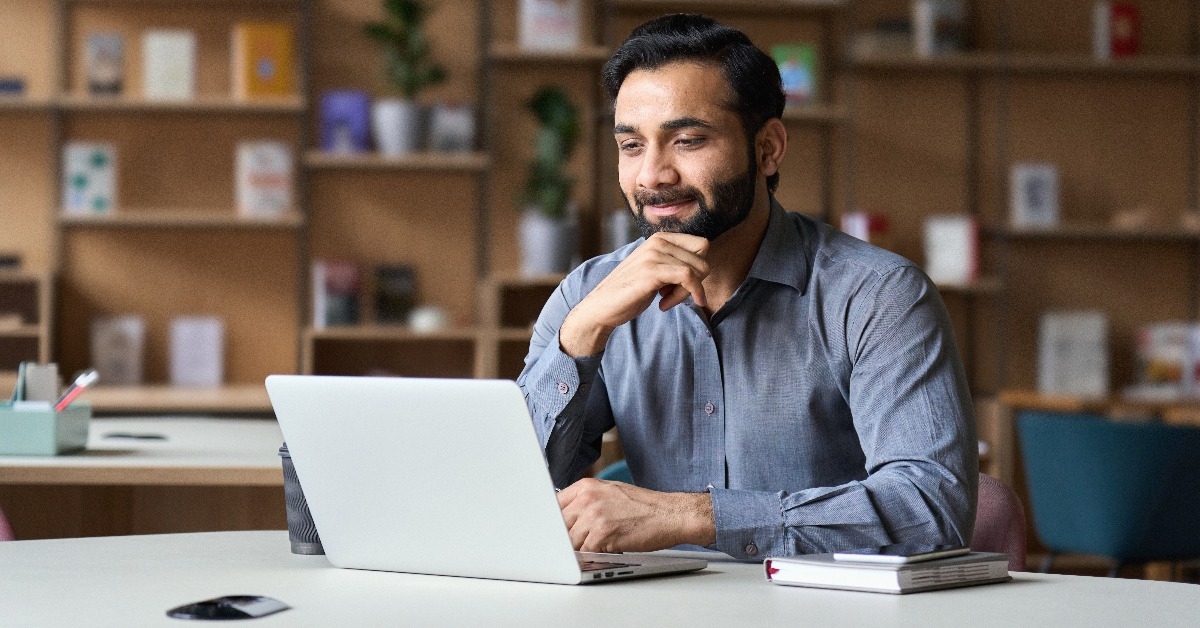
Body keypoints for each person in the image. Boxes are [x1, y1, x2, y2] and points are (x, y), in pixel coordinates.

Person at [517, 14, 977, 561]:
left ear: (768, 149)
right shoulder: (587, 295)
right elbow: (507, 498)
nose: (652, 176)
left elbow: (932, 509)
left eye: (687, 140)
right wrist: (581, 337)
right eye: (632, 145)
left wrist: (695, 516)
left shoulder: (878, 296)